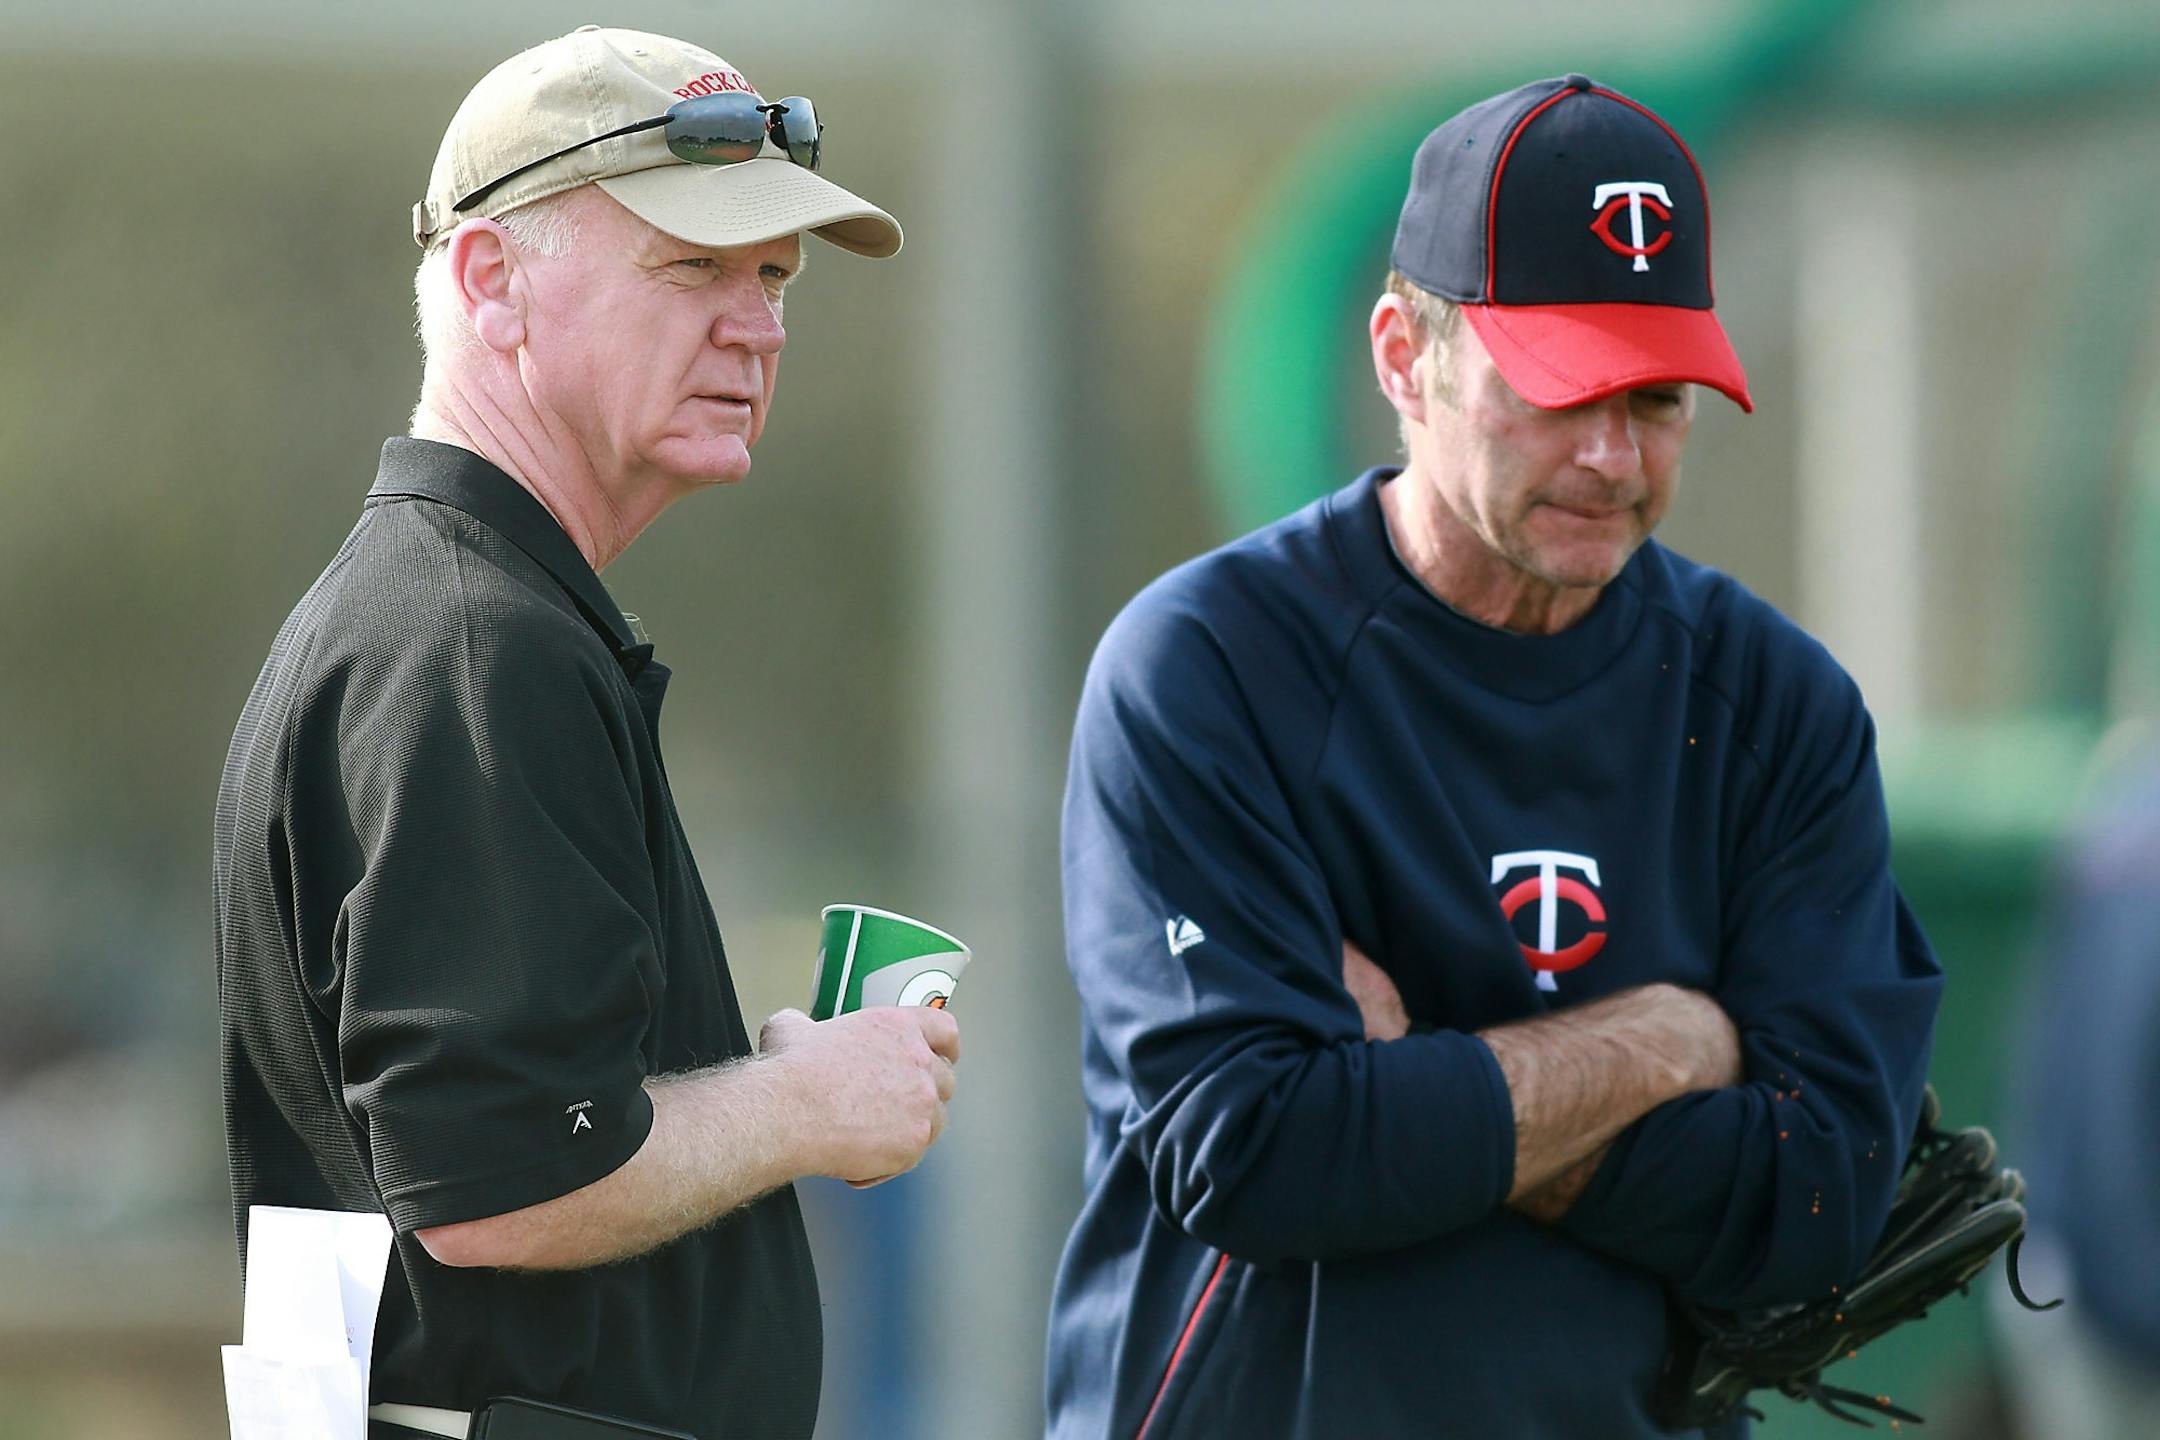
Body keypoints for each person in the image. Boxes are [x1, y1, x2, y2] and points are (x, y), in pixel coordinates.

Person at [1044, 74, 1943, 1438]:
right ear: (1406, 357)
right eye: (1559, 386)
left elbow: (1818, 1199)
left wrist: (1418, 1070)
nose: (1608, 453)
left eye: (1656, 401)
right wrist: (1662, 1042)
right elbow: (1259, 1151)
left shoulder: (1774, 702)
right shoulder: (1213, 666)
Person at [214, 27, 958, 1440]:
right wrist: (806, 1105)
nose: (759, 323)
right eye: (694, 266)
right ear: (493, 282)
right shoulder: (476, 643)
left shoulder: (453, 616)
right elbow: (499, 1183)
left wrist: (790, 1087)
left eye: (776, 276)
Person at [1990, 741, 2160, 1439]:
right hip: (2097, 1300)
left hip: (2071, 1269)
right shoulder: (2140, 843)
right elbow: (2105, 1136)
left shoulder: (2128, 806)